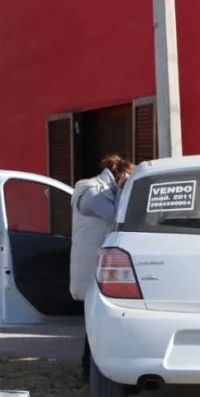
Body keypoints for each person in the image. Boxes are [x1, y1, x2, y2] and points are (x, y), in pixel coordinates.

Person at [70, 154, 135, 381]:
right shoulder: (93, 192)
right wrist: (123, 191)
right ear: (120, 174)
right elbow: (118, 216)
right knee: (94, 319)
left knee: (98, 320)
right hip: (91, 263)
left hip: (102, 262)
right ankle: (89, 371)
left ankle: (92, 370)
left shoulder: (105, 192)